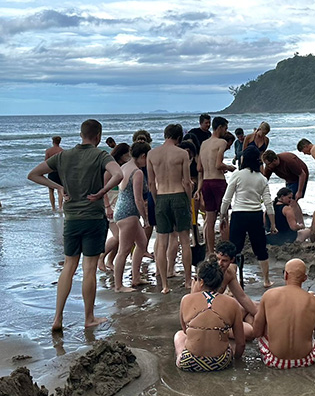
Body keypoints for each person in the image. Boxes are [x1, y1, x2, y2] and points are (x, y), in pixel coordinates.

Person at [27, 119, 122, 330]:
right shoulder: (100, 155)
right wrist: (102, 191)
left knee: (68, 267)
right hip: (93, 219)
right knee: (89, 269)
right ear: (98, 136)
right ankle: (89, 318)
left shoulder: (63, 156)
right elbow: (119, 174)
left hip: (71, 220)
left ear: (81, 134)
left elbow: (33, 174)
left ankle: (57, 318)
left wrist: (59, 187)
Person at [251, 259, 315, 369]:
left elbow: (257, 332)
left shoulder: (269, 295)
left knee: (263, 323)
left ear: (285, 275)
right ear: (305, 278)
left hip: (274, 360)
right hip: (306, 360)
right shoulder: (314, 301)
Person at [145, 123, 194, 294]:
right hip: (178, 194)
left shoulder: (151, 154)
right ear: (179, 137)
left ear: (165, 135)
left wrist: (157, 199)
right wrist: (188, 201)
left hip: (161, 197)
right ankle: (188, 281)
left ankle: (165, 285)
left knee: (161, 243)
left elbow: (151, 183)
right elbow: (187, 182)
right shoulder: (182, 153)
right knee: (185, 241)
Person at [173, 259, 245, 372]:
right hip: (221, 362)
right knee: (227, 341)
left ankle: (179, 358)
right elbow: (241, 343)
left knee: (179, 335)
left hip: (190, 362)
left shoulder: (186, 300)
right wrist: (236, 359)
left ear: (201, 282)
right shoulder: (232, 303)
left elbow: (186, 331)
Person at [220, 146, 275, 288]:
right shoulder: (262, 178)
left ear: (243, 159)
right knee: (261, 249)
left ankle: (232, 285)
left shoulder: (237, 175)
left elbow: (226, 199)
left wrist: (222, 217)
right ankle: (266, 280)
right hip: (255, 215)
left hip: (238, 215)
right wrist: (273, 224)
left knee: (234, 250)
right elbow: (268, 203)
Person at [112, 141, 151, 292]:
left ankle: (136, 277)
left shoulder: (124, 166)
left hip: (121, 210)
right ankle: (118, 285)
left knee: (141, 243)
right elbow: (138, 198)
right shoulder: (137, 172)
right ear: (143, 156)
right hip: (128, 213)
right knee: (124, 250)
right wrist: (145, 218)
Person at [197, 116, 233, 254]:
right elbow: (218, 164)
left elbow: (199, 167)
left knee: (209, 220)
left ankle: (211, 251)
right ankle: (225, 251)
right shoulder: (221, 142)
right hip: (218, 181)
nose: (226, 131)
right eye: (225, 128)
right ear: (219, 127)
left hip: (206, 182)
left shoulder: (204, 143)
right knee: (224, 217)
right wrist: (229, 167)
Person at [213, 240, 259, 337]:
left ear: (232, 260)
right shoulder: (206, 273)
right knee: (250, 331)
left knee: (256, 308)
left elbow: (242, 297)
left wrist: (258, 315)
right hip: (210, 319)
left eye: (224, 260)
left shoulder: (229, 273)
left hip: (221, 311)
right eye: (218, 259)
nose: (220, 263)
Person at [45, 136, 64, 210]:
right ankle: (60, 207)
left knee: (51, 191)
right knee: (60, 190)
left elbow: (46, 162)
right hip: (59, 172)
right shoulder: (62, 151)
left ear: (53, 142)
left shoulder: (48, 151)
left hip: (51, 172)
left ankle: (53, 208)